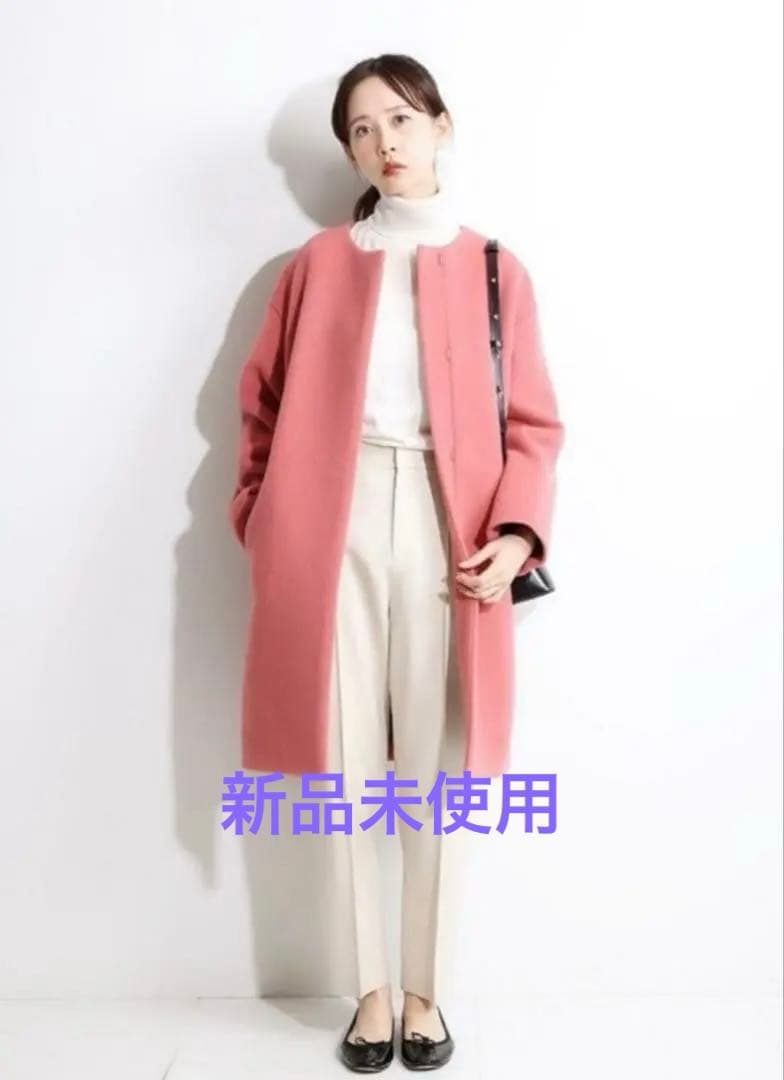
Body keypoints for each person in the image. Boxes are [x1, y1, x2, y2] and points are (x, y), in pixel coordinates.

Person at [229, 53, 565, 1073]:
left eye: (401, 120)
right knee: (339, 762)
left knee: (435, 767)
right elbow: (259, 408)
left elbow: (534, 424)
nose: (384, 142)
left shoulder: (497, 268)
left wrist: (517, 532)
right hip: (324, 523)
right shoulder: (316, 264)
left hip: (447, 522)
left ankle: (426, 992)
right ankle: (369, 993)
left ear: (441, 125)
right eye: (362, 129)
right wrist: (264, 518)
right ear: (349, 150)